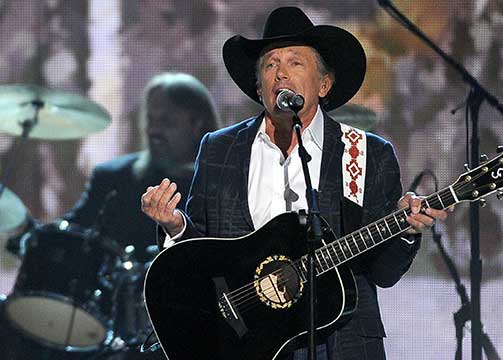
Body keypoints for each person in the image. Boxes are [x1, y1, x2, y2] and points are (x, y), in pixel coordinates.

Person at [141, 7, 449, 360]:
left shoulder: (366, 154)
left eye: (295, 63)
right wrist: (176, 226)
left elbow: (384, 272)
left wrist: (405, 229)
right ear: (259, 87)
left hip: (342, 345)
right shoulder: (220, 149)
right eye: (270, 65)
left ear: (324, 84)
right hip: (246, 346)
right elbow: (203, 257)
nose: (281, 73)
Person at [63, 72, 219, 359]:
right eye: (151, 120)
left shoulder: (220, 182)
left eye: (166, 121)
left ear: (197, 122)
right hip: (112, 329)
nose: (154, 130)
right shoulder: (113, 177)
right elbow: (70, 235)